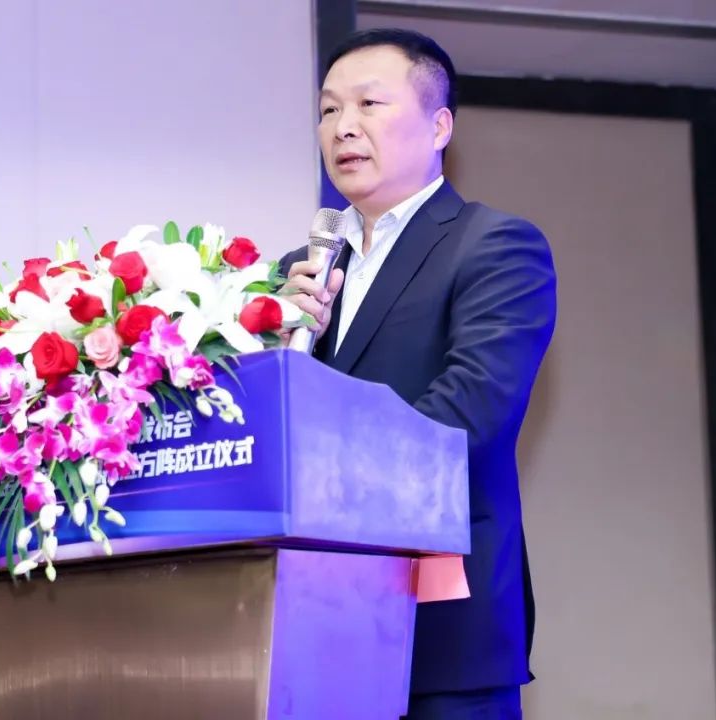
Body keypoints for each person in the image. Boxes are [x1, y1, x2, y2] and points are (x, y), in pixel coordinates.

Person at [278, 28, 557, 719]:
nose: (343, 127)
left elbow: (467, 417)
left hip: (441, 624)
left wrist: (313, 469)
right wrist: (277, 353)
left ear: (439, 127)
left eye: (369, 104)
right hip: (309, 625)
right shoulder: (301, 272)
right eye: (328, 109)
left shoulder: (493, 246)